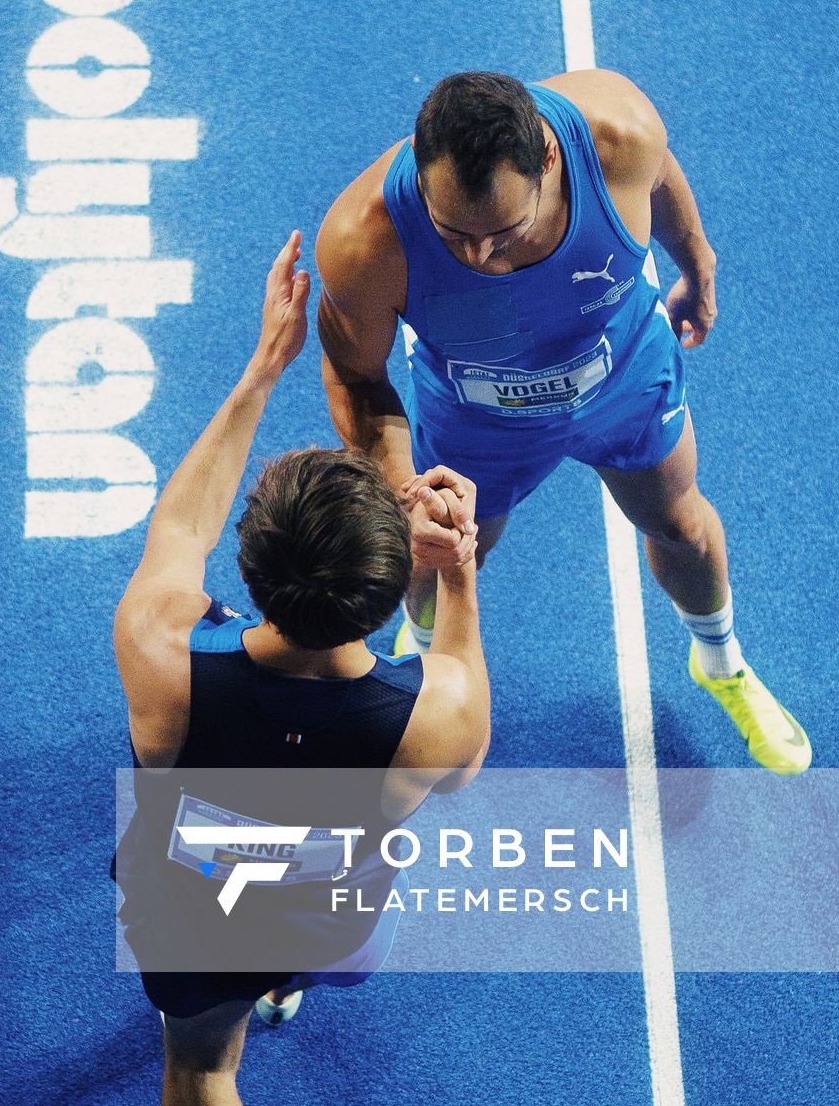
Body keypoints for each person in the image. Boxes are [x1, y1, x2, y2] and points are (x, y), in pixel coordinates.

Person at [113, 232, 490, 1106]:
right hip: (325, 910)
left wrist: (262, 367)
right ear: (382, 594)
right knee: (297, 942)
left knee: (201, 1067)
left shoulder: (166, 653)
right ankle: (284, 983)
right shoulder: (427, 719)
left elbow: (172, 528)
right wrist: (456, 569)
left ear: (256, 569)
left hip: (191, 905)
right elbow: (457, 676)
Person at [314, 69, 811, 775]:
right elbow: (355, 379)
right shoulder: (365, 241)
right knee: (445, 552)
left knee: (679, 525)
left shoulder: (619, 137)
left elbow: (662, 179)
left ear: (549, 158)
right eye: (452, 234)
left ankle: (721, 662)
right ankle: (417, 672)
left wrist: (698, 264)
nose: (478, 257)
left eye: (502, 232)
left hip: (623, 374)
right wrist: (408, 494)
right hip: (476, 421)